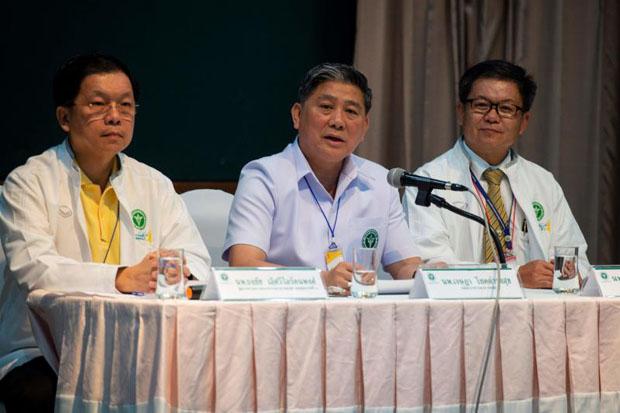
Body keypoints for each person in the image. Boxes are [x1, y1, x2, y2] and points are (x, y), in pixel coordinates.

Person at [0, 53, 211, 411]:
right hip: (44, 349)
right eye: (98, 104)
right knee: (40, 395)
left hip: (137, 345)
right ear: (65, 117)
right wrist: (121, 278)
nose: (115, 116)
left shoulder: (154, 184)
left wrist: (175, 272)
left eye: (126, 106)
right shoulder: (29, 182)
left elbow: (197, 262)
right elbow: (35, 270)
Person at [224, 63, 420, 292]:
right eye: (326, 107)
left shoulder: (380, 182)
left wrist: (426, 274)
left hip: (360, 319)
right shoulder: (264, 177)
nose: (338, 121)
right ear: (298, 115)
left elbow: (404, 264)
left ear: (365, 127)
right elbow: (243, 266)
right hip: (285, 317)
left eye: (351, 112)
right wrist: (321, 281)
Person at [403, 59, 590, 289]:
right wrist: (514, 278)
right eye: (481, 105)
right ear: (461, 112)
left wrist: (565, 273)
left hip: (535, 317)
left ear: (524, 122)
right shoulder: (427, 181)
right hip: (459, 317)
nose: (492, 116)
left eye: (506, 108)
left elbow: (579, 261)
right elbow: (433, 270)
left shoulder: (543, 183)